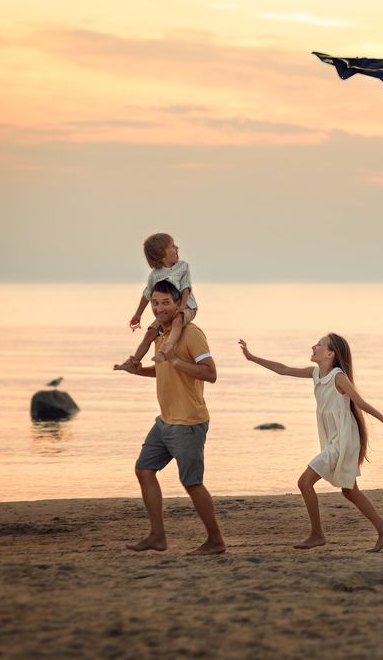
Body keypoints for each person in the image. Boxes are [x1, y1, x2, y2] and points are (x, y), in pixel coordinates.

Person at [238, 334, 383, 552]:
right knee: (349, 491)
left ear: (330, 354)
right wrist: (252, 357)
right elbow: (283, 369)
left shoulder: (338, 377)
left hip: (343, 439)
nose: (313, 346)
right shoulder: (316, 373)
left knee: (304, 483)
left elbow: (360, 403)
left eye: (319, 344)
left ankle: (317, 534)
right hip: (333, 439)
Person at [116, 280, 225, 555]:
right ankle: (157, 536)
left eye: (165, 303)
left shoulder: (190, 333)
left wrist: (175, 360)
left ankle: (215, 540)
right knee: (144, 470)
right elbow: (164, 372)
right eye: (155, 302)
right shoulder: (160, 334)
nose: (159, 308)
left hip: (188, 422)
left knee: (192, 483)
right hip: (165, 421)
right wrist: (136, 371)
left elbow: (210, 374)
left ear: (178, 304)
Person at [115, 233, 198, 370]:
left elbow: (186, 288)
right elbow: (147, 294)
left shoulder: (183, 267)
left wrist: (182, 307)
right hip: (167, 311)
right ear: (162, 254)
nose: (177, 248)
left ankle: (163, 352)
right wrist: (138, 315)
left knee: (177, 320)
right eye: (172, 246)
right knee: (150, 333)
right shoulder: (155, 275)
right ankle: (134, 361)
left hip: (187, 307)